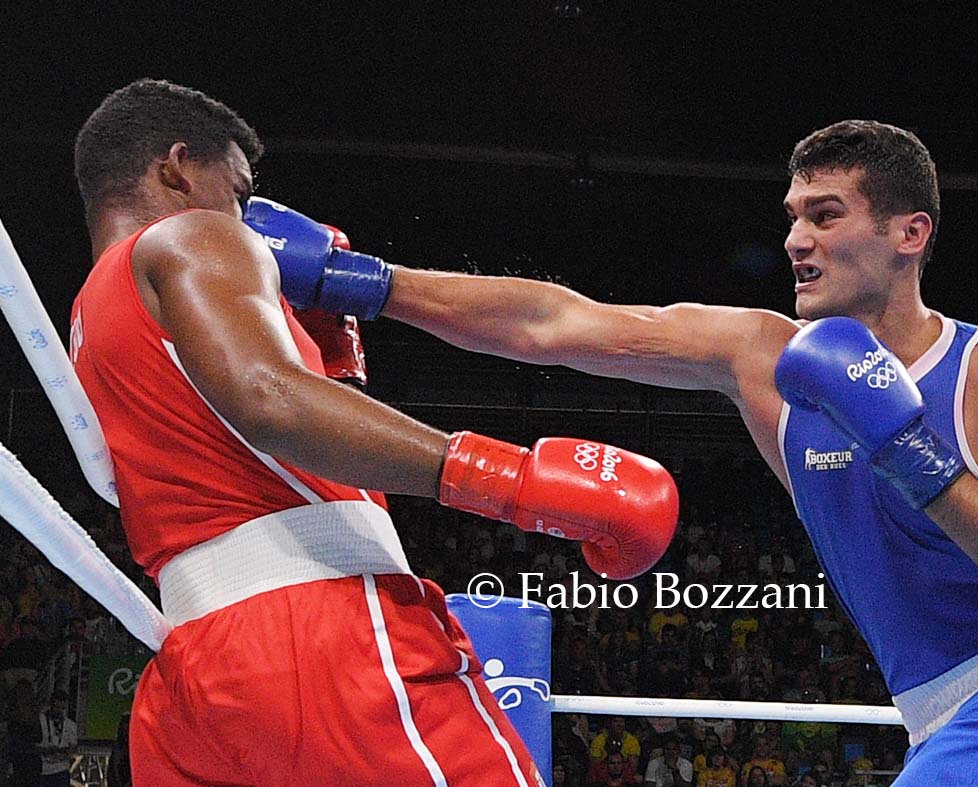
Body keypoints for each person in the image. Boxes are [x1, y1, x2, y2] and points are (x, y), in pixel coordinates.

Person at [284, 119, 978, 783]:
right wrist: (364, 281)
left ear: (908, 232)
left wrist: (906, 448)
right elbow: (558, 321)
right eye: (793, 217)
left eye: (825, 215)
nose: (797, 240)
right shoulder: (760, 358)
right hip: (940, 722)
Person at [70, 79, 679, 786]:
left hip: (198, 677)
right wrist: (505, 479)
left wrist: (330, 365)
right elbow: (270, 399)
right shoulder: (192, 234)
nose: (244, 214)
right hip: (326, 637)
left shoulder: (89, 316)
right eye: (236, 191)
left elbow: (240, 449)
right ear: (177, 168)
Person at [36, 691, 77, 787]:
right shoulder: (39, 720)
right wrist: (46, 750)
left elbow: (73, 748)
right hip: (43, 770)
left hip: (61, 771)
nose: (59, 711)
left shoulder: (70, 725)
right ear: (51, 705)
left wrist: (64, 753)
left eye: (62, 709)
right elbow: (31, 744)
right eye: (57, 707)